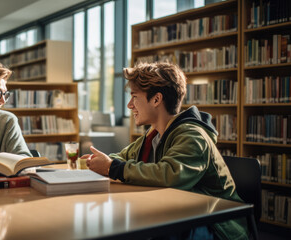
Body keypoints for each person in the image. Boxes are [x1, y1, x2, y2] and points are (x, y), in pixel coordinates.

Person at [82, 62, 248, 240]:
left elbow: (170, 175)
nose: (130, 105)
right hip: (182, 216)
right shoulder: (153, 135)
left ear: (156, 99)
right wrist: (98, 161)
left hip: (216, 225)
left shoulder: (193, 136)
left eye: (134, 97)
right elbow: (122, 158)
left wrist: (112, 167)